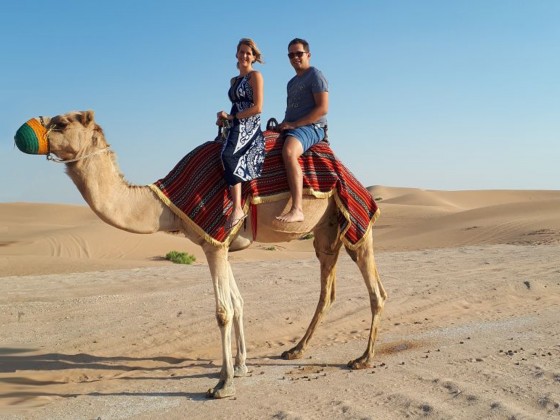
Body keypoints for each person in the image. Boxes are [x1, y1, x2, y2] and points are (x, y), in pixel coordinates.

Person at [276, 38, 329, 223]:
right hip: (294, 126)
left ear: (308, 54)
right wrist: (283, 124)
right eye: (291, 55)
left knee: (289, 152)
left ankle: (297, 209)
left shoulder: (315, 75)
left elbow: (322, 108)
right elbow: (291, 111)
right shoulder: (291, 83)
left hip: (312, 127)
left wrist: (295, 125)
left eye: (299, 53)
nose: (295, 57)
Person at [217, 38, 265, 230]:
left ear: (253, 57)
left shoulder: (255, 76)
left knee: (228, 155)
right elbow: (234, 105)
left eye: (249, 53)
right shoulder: (234, 80)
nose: (245, 56)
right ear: (236, 54)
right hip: (235, 121)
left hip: (249, 122)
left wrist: (233, 117)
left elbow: (258, 107)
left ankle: (237, 208)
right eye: (242, 52)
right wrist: (224, 118)